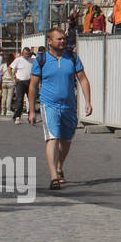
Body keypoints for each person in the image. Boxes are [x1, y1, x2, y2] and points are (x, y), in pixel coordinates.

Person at [28, 28, 93, 190]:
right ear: (49, 41)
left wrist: (88, 101)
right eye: (59, 39)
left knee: (66, 140)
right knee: (52, 138)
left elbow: (83, 79)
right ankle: (53, 177)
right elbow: (33, 85)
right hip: (49, 104)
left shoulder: (71, 57)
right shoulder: (41, 59)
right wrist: (31, 110)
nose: (63, 41)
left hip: (69, 106)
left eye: (63, 39)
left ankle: (59, 167)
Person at [10, 48, 33, 124]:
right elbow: (10, 68)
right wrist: (13, 78)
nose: (27, 55)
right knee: (19, 100)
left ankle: (30, 117)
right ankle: (17, 117)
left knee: (30, 100)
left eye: (28, 54)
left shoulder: (32, 60)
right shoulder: (18, 60)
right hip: (20, 82)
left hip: (29, 82)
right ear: (22, 53)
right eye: (26, 53)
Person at [0, 51, 16, 116]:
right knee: (9, 97)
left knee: (4, 97)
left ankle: (2, 111)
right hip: (11, 82)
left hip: (4, 82)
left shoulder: (3, 65)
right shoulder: (13, 65)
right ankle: (8, 110)